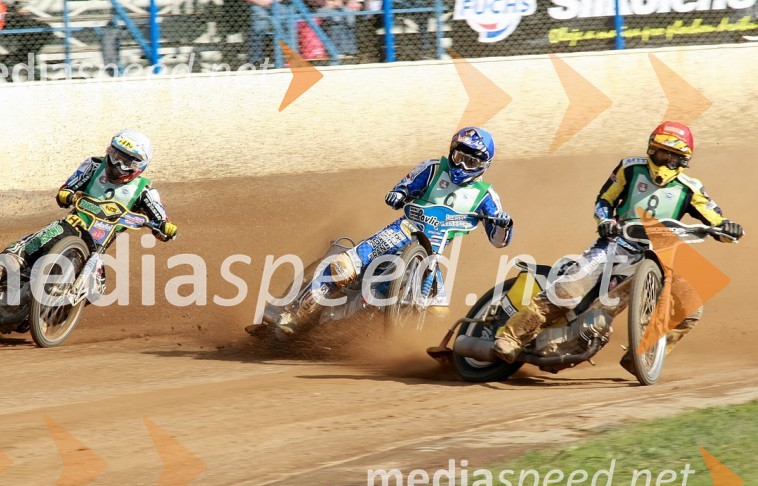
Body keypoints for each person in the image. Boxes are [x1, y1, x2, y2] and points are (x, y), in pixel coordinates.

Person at [491, 121, 745, 368]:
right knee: (567, 291)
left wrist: (728, 228)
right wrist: (605, 221)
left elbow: (715, 218)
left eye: (674, 156)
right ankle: (511, 338)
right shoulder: (630, 168)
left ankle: (642, 358)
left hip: (663, 255)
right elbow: (604, 200)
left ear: (684, 160)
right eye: (662, 151)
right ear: (650, 149)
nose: (666, 159)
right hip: (616, 242)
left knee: (690, 310)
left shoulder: (691, 187)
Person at [273, 126, 514, 333]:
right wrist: (399, 194)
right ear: (451, 153)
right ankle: (294, 313)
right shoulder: (432, 168)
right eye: (459, 157)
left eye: (470, 162)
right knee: (343, 268)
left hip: (432, 255)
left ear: (483, 165)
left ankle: (383, 338)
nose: (461, 165)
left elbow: (499, 241)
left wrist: (503, 223)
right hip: (402, 231)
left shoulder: (486, 196)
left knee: (437, 311)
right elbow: (406, 186)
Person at [0, 129, 178, 316]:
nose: (119, 165)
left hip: (98, 246)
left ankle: (45, 317)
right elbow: (67, 189)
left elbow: (161, 219)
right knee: (25, 249)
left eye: (127, 162)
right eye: (116, 156)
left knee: (96, 291)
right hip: (71, 225)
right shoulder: (93, 165)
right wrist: (67, 194)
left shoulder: (145, 190)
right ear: (109, 151)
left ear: (140, 166)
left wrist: (165, 229)